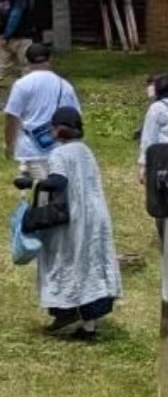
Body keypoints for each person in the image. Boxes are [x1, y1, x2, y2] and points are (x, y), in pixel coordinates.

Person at [31, 106, 122, 340]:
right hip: (95, 215)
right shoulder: (85, 150)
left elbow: (58, 182)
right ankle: (89, 327)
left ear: (58, 130)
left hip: (74, 218)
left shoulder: (59, 154)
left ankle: (66, 311)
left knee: (65, 262)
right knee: (90, 267)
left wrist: (34, 182)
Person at [4, 44, 79, 182]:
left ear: (27, 61)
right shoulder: (65, 85)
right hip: (59, 145)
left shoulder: (22, 85)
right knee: (60, 188)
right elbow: (75, 117)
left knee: (43, 189)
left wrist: (9, 144)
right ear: (50, 59)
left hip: (31, 147)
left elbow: (12, 118)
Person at [0, 0, 40, 83]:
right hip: (20, 36)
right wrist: (7, 34)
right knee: (27, 67)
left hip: (3, 34)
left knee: (3, 68)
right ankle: (25, 92)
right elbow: (16, 13)